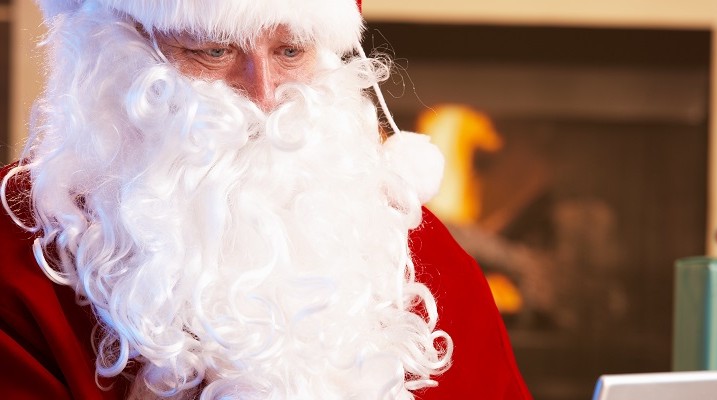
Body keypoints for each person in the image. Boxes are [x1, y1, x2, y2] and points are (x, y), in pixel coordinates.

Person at [0, 0, 531, 399]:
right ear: (108, 49)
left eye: (290, 50)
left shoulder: (405, 242)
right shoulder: (15, 251)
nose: (265, 95)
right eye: (213, 50)